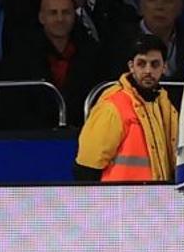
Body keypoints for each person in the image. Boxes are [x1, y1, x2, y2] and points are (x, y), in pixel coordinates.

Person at [74, 32, 177, 180]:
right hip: (120, 194)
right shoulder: (113, 106)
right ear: (131, 66)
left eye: (155, 64)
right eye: (141, 64)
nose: (148, 71)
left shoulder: (165, 105)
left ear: (164, 67)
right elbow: (87, 166)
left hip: (156, 193)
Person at [0, 0, 103, 128]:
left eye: (66, 12)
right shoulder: (21, 54)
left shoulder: (92, 52)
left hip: (83, 131)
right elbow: (12, 103)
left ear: (74, 16)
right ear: (41, 18)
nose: (60, 19)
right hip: (33, 134)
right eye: (53, 13)